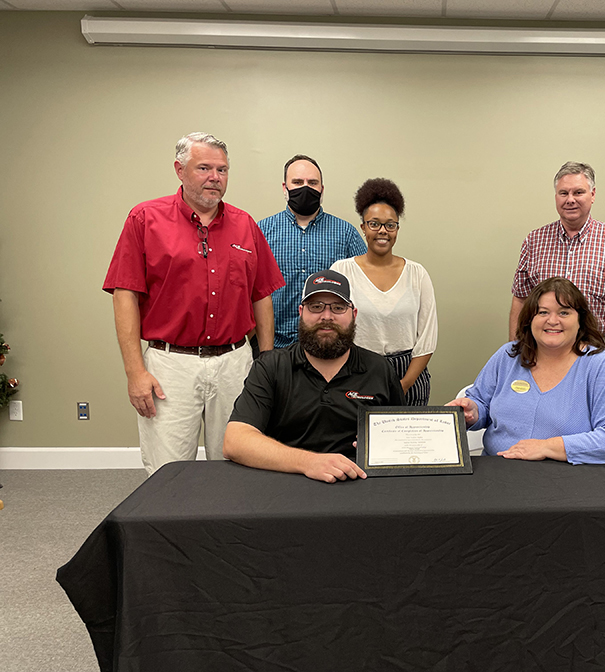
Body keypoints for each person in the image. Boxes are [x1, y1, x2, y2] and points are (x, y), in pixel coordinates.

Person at [104, 132, 285, 475]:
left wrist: (266, 361)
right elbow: (124, 293)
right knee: (167, 471)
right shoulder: (145, 220)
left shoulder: (245, 225)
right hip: (169, 365)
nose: (215, 177)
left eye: (222, 170)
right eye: (204, 168)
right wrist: (134, 371)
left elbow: (261, 294)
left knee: (238, 464)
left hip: (235, 362)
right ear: (179, 170)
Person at [223, 270, 405, 482]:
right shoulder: (271, 366)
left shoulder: (379, 369)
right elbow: (235, 442)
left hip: (359, 488)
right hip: (284, 485)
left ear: (353, 314)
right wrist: (309, 462)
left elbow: (399, 439)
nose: (326, 316)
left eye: (338, 307)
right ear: (301, 312)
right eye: (316, 306)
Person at [449, 277, 605, 464]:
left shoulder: (602, 366)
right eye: (543, 312)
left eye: (564, 313)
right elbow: (481, 402)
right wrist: (473, 412)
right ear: (530, 319)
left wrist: (547, 447)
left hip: (569, 477)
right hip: (498, 473)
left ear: (580, 320)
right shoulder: (508, 356)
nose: (552, 320)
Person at [510, 161, 605, 383]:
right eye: (563, 193)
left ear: (592, 195)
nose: (570, 199)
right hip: (543, 347)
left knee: (597, 415)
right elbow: (521, 299)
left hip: (597, 346)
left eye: (578, 192)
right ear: (556, 196)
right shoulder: (534, 241)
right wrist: (516, 347)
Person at [330, 178, 437, 405]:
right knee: (358, 439)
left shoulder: (417, 274)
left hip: (410, 373)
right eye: (374, 223)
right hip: (356, 370)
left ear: (397, 229)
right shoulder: (342, 271)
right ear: (363, 228)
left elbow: (427, 339)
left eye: (390, 225)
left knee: (408, 439)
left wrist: (404, 384)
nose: (383, 231)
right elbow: (333, 328)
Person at [257, 154, 367, 349]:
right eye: (297, 182)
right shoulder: (262, 232)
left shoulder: (346, 234)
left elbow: (365, 288)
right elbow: (251, 293)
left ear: (321, 189)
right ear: (285, 188)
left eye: (312, 182)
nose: (305, 188)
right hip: (275, 347)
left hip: (329, 349)